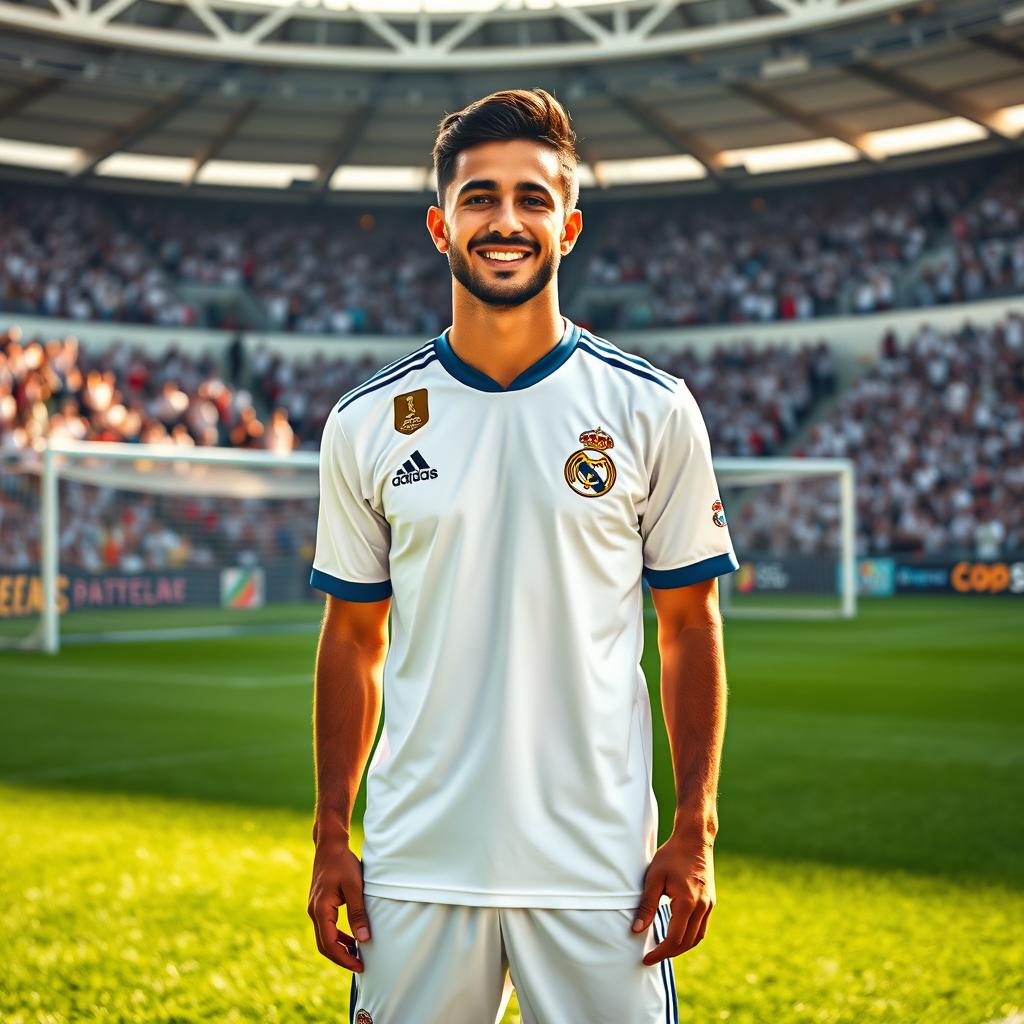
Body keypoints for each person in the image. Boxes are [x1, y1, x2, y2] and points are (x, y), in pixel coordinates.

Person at [307, 88, 739, 1024]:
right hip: (417, 870)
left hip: (599, 874)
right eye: (480, 198)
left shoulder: (653, 410)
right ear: (439, 225)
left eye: (532, 199)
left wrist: (694, 828)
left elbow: (687, 629)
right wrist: (332, 835)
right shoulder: (364, 422)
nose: (506, 221)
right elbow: (351, 641)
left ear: (569, 225)